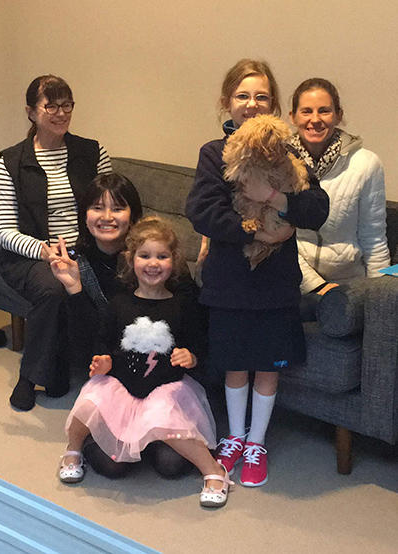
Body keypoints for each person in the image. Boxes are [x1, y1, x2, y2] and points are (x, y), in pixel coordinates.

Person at [185, 59, 329, 487]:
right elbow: (202, 211)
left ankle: (257, 442)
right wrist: (254, 231)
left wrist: (274, 197)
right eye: (242, 95)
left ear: (274, 105)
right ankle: (234, 436)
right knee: (234, 364)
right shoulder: (214, 153)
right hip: (229, 282)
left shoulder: (291, 153)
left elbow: (316, 209)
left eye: (261, 96)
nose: (251, 104)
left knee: (268, 366)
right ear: (227, 102)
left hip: (275, 285)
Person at [57, 217, 231, 508]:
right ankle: (73, 449)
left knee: (171, 466)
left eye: (162, 256)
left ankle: (214, 471)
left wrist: (191, 356)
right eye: (145, 256)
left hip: (165, 393)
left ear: (174, 261)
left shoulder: (183, 304)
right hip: (122, 391)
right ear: (131, 259)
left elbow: (199, 343)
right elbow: (103, 342)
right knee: (106, 453)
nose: (153, 263)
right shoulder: (118, 303)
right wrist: (103, 361)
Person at [50, 172, 196, 479]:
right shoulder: (77, 263)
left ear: (133, 213)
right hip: (116, 380)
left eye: (117, 208)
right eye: (97, 208)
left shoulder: (159, 256)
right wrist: (74, 289)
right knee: (112, 465)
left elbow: (192, 321)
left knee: (171, 464)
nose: (107, 217)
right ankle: (100, 439)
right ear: (84, 215)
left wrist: (190, 355)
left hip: (162, 381)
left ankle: (148, 435)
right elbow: (86, 344)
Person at [0, 75, 112, 411]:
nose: (61, 113)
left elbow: (109, 204)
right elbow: (5, 231)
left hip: (85, 250)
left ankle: (60, 368)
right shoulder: (11, 161)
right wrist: (44, 251)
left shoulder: (92, 152)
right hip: (31, 256)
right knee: (53, 288)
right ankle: (30, 377)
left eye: (66, 105)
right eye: (51, 106)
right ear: (31, 112)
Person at [288, 78, 390, 320]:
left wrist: (381, 297)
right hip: (295, 281)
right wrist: (318, 286)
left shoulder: (366, 164)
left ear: (338, 115)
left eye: (324, 110)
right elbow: (280, 239)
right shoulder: (279, 163)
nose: (315, 119)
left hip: (349, 287)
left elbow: (373, 239)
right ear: (293, 117)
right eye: (306, 111)